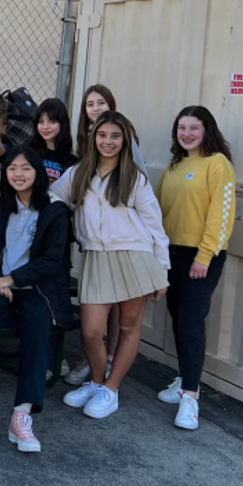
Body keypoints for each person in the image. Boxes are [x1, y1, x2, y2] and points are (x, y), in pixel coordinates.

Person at [54, 111, 170, 419]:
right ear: (93, 138)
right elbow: (51, 199)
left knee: (128, 327)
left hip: (135, 256)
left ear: (125, 141)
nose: (108, 142)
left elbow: (154, 225)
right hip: (95, 256)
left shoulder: (135, 178)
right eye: (102, 135)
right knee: (91, 331)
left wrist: (162, 270)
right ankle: (96, 380)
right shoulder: (78, 173)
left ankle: (111, 389)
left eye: (115, 136)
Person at [0, 147, 72, 452]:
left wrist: (13, 280)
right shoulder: (4, 204)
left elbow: (53, 260)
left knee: (36, 328)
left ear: (38, 172)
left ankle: (21, 415)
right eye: (12, 168)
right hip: (2, 288)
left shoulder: (55, 209)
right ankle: (35, 343)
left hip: (35, 289)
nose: (18, 174)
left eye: (25, 168)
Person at [155, 106, 235, 430]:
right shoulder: (174, 165)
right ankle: (185, 377)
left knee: (191, 322)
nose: (187, 133)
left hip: (201, 257)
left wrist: (204, 256)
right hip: (172, 253)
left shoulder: (217, 165)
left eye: (194, 128)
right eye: (181, 128)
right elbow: (158, 208)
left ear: (207, 131)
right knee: (178, 317)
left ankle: (191, 396)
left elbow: (222, 215)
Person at [65, 84, 145, 385]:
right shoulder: (84, 150)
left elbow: (141, 200)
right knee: (94, 322)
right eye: (89, 104)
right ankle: (97, 366)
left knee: (122, 316)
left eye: (101, 103)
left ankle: (109, 367)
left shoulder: (126, 155)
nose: (95, 108)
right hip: (95, 247)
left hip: (126, 247)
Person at [28, 98, 78, 185]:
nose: (45, 127)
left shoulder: (72, 163)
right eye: (41, 121)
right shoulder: (27, 152)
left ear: (62, 124)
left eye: (52, 121)